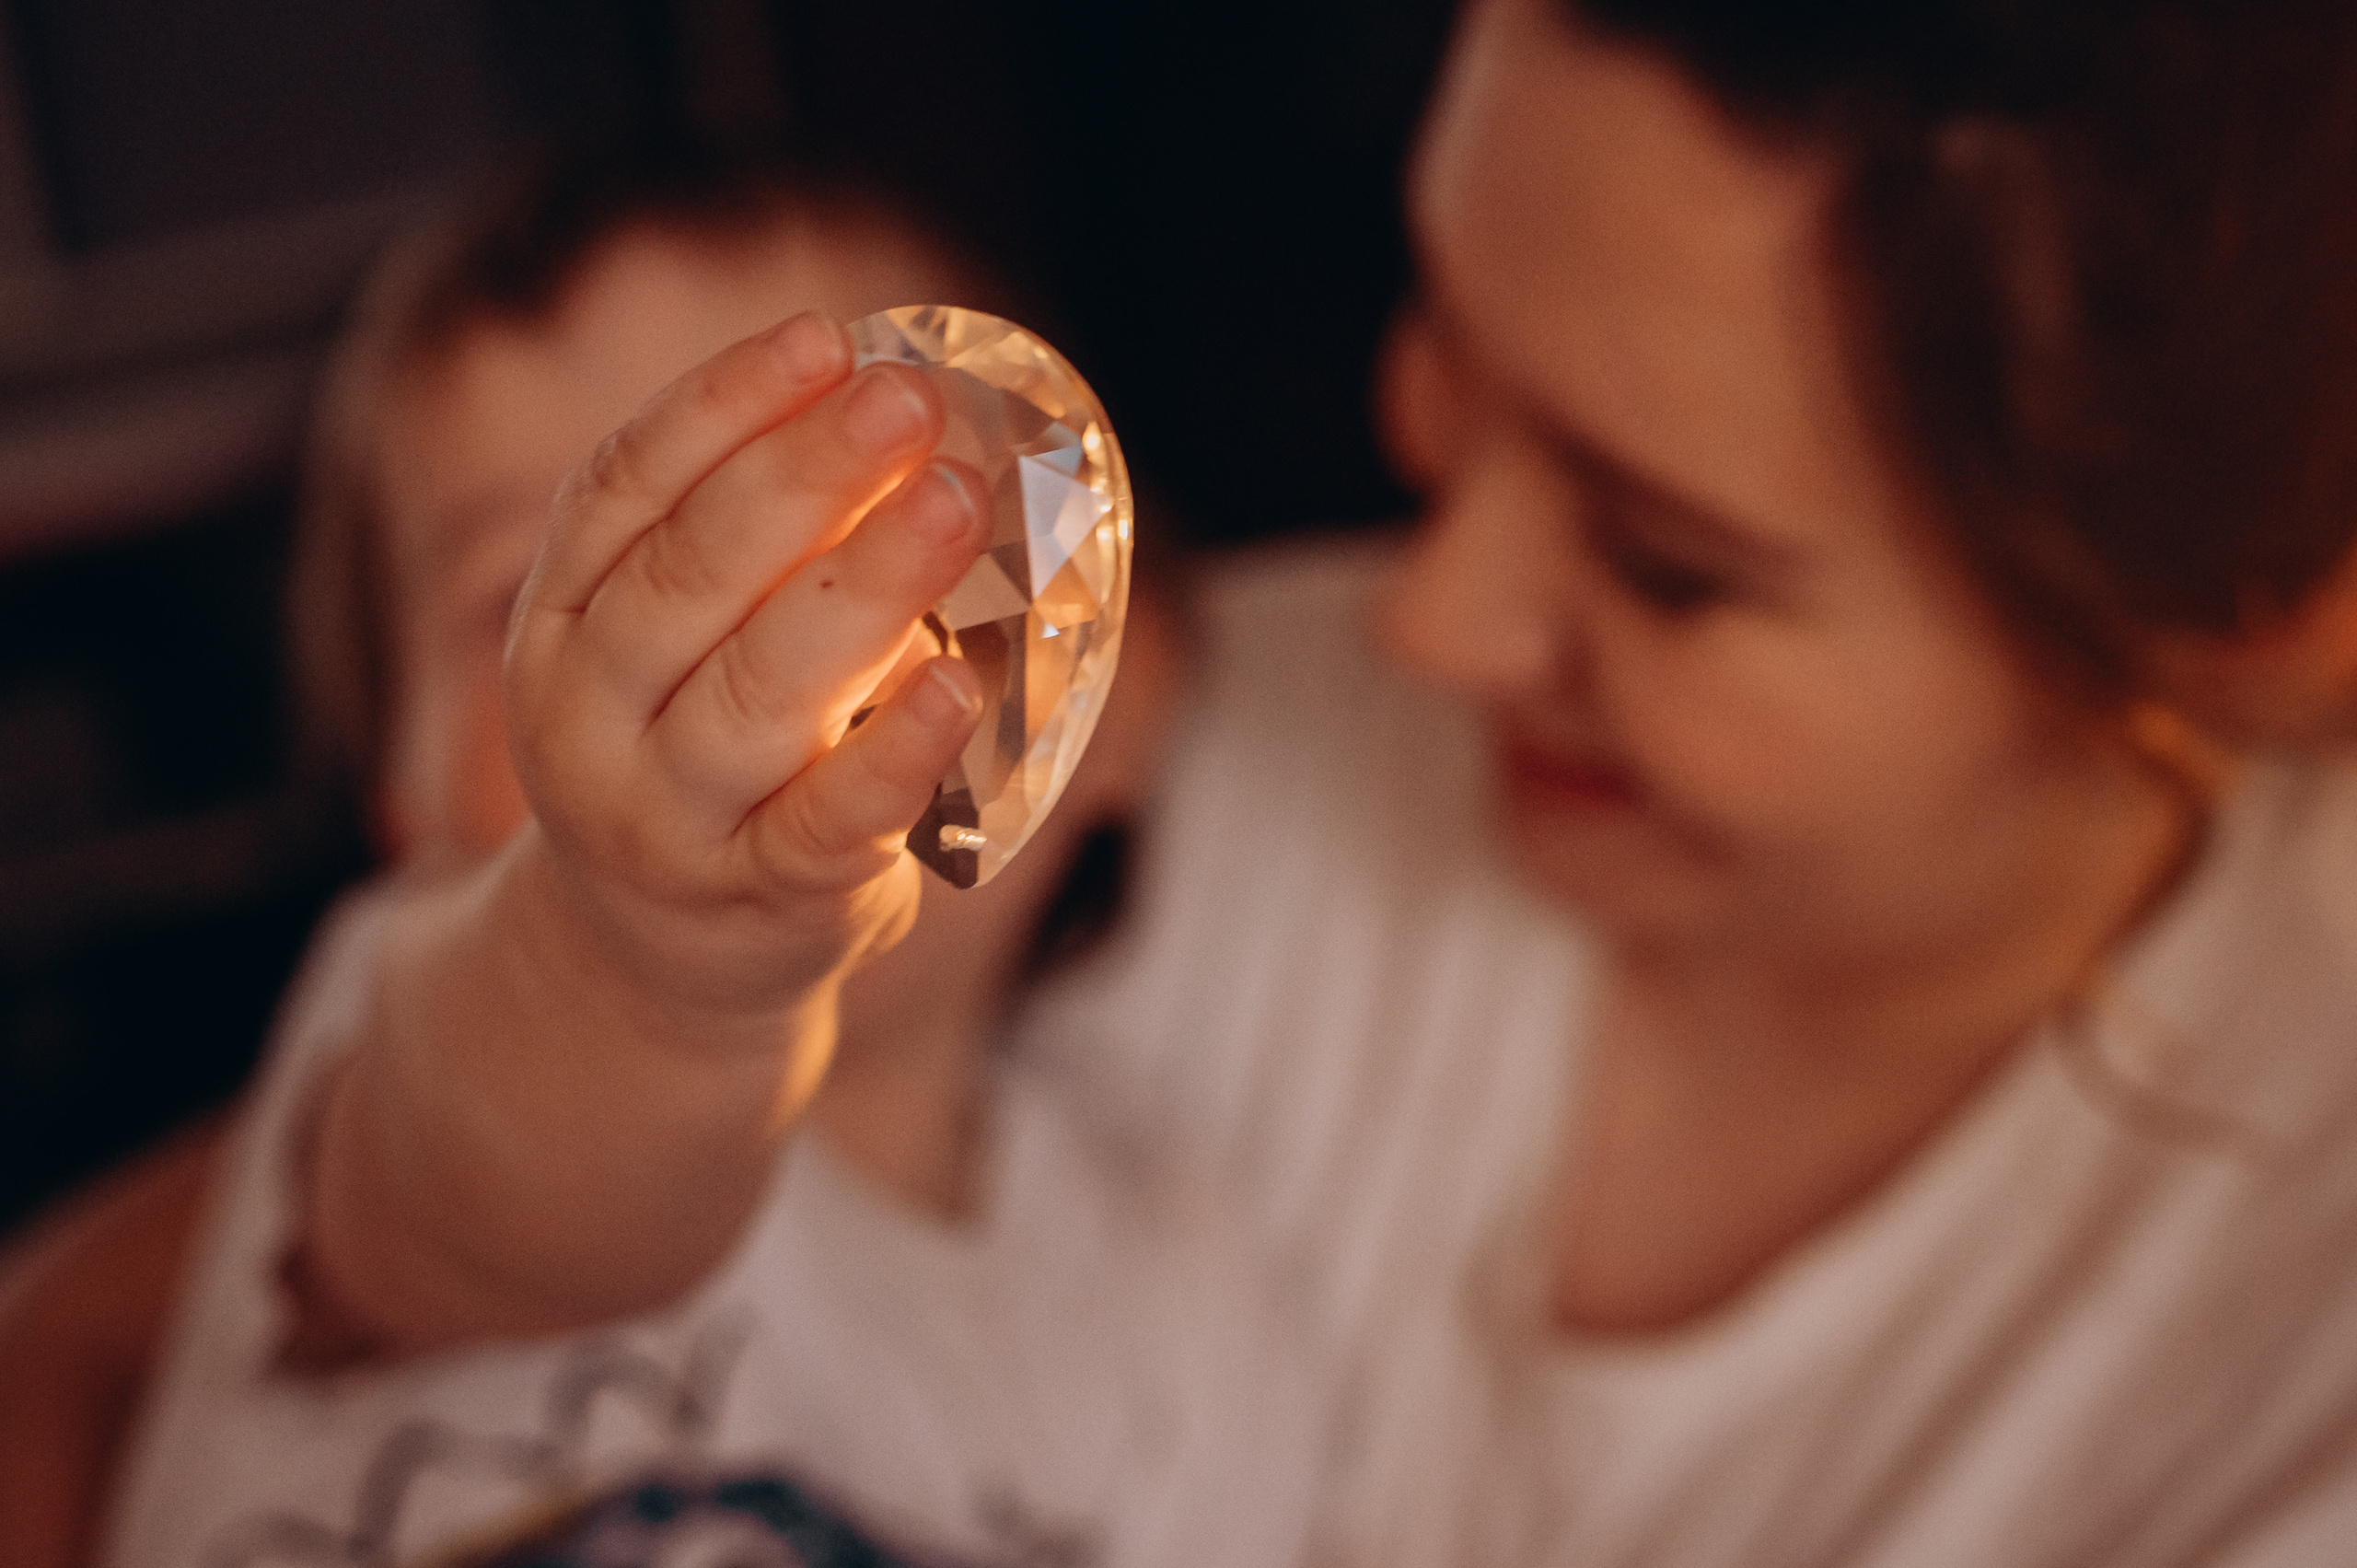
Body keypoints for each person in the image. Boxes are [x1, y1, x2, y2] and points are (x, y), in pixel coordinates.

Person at [56, 0, 2357, 1561]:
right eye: (1441, 342)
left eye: (1669, 570)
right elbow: (407, 1198)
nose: (1416, 630)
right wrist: (638, 957)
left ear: (2233, 630)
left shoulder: (1179, 1308)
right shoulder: (547, 1013)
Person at [26, 145, 1318, 1568]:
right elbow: (498, 1183)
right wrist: (642, 956)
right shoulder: (404, 1041)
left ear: (1118, 700)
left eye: (875, 530)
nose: (721, 653)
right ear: (403, 807)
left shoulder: (1176, 1282)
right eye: (529, 606)